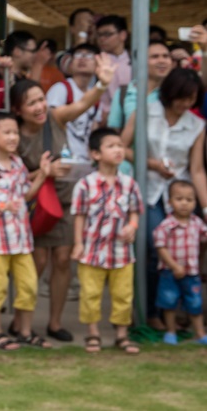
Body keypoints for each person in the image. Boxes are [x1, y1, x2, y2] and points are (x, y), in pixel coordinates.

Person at [9, 53, 113, 344]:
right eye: (32, 103)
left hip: (65, 200)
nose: (40, 106)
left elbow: (82, 104)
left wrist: (102, 84)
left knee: (64, 259)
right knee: (38, 261)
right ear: (18, 110)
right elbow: (11, 177)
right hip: (34, 206)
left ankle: (54, 323)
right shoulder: (12, 134)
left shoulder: (55, 117)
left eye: (41, 99)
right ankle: (21, 322)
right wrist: (42, 173)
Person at [121, 68, 206, 329]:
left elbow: (196, 169)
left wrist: (205, 206)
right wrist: (151, 164)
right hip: (148, 190)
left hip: (180, 195)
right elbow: (121, 148)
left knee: (184, 252)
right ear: (170, 93)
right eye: (182, 97)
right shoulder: (146, 112)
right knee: (152, 246)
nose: (186, 104)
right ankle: (151, 311)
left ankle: (177, 312)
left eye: (192, 99)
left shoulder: (197, 125)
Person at [0, 113, 53, 351]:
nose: (13, 137)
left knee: (28, 285)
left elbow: (26, 195)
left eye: (15, 132)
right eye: (6, 132)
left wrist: (43, 174)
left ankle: (24, 332)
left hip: (20, 238)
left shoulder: (18, 164)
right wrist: (4, 206)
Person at [71, 127, 143, 355]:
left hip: (122, 252)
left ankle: (122, 335)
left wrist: (132, 226)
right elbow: (79, 216)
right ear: (95, 154)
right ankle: (93, 333)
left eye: (120, 146)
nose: (118, 150)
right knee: (90, 294)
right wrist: (78, 243)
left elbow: (135, 211)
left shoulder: (129, 184)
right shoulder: (85, 185)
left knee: (123, 295)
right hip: (92, 251)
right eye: (111, 146)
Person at [153, 180, 207, 346]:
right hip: (170, 272)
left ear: (195, 203)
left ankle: (199, 333)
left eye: (189, 200)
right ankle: (171, 332)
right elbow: (160, 247)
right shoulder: (166, 226)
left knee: (195, 303)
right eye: (179, 199)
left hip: (191, 273)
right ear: (170, 202)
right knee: (169, 303)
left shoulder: (197, 223)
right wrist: (174, 266)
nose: (184, 203)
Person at [106, 39, 173, 133]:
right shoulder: (124, 92)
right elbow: (114, 129)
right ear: (141, 61)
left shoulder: (175, 92)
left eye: (166, 56)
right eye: (155, 57)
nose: (162, 61)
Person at [94, 15, 132, 125]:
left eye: (107, 34)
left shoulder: (136, 61)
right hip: (104, 120)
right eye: (99, 35)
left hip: (132, 118)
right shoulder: (95, 60)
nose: (102, 39)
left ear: (123, 35)